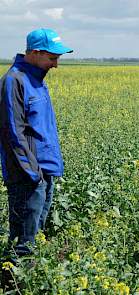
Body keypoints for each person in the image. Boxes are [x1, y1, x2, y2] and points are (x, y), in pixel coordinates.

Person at [0, 28, 73, 262]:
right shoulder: (14, 81)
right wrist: (34, 175)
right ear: (35, 52)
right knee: (23, 242)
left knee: (35, 236)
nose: (56, 65)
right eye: (52, 58)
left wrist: (47, 172)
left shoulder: (36, 80)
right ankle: (14, 285)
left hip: (43, 172)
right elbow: (14, 133)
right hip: (27, 177)